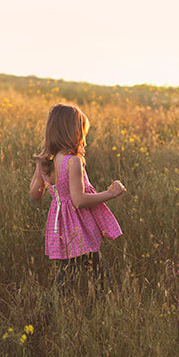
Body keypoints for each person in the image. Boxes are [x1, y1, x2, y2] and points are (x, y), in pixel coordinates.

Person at [29, 103, 125, 290]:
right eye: (82, 133)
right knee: (94, 276)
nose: (83, 139)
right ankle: (48, 311)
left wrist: (39, 168)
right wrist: (110, 193)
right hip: (77, 227)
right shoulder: (73, 162)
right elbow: (78, 200)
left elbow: (35, 195)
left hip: (60, 225)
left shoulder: (45, 161)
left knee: (72, 272)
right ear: (72, 132)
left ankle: (52, 309)